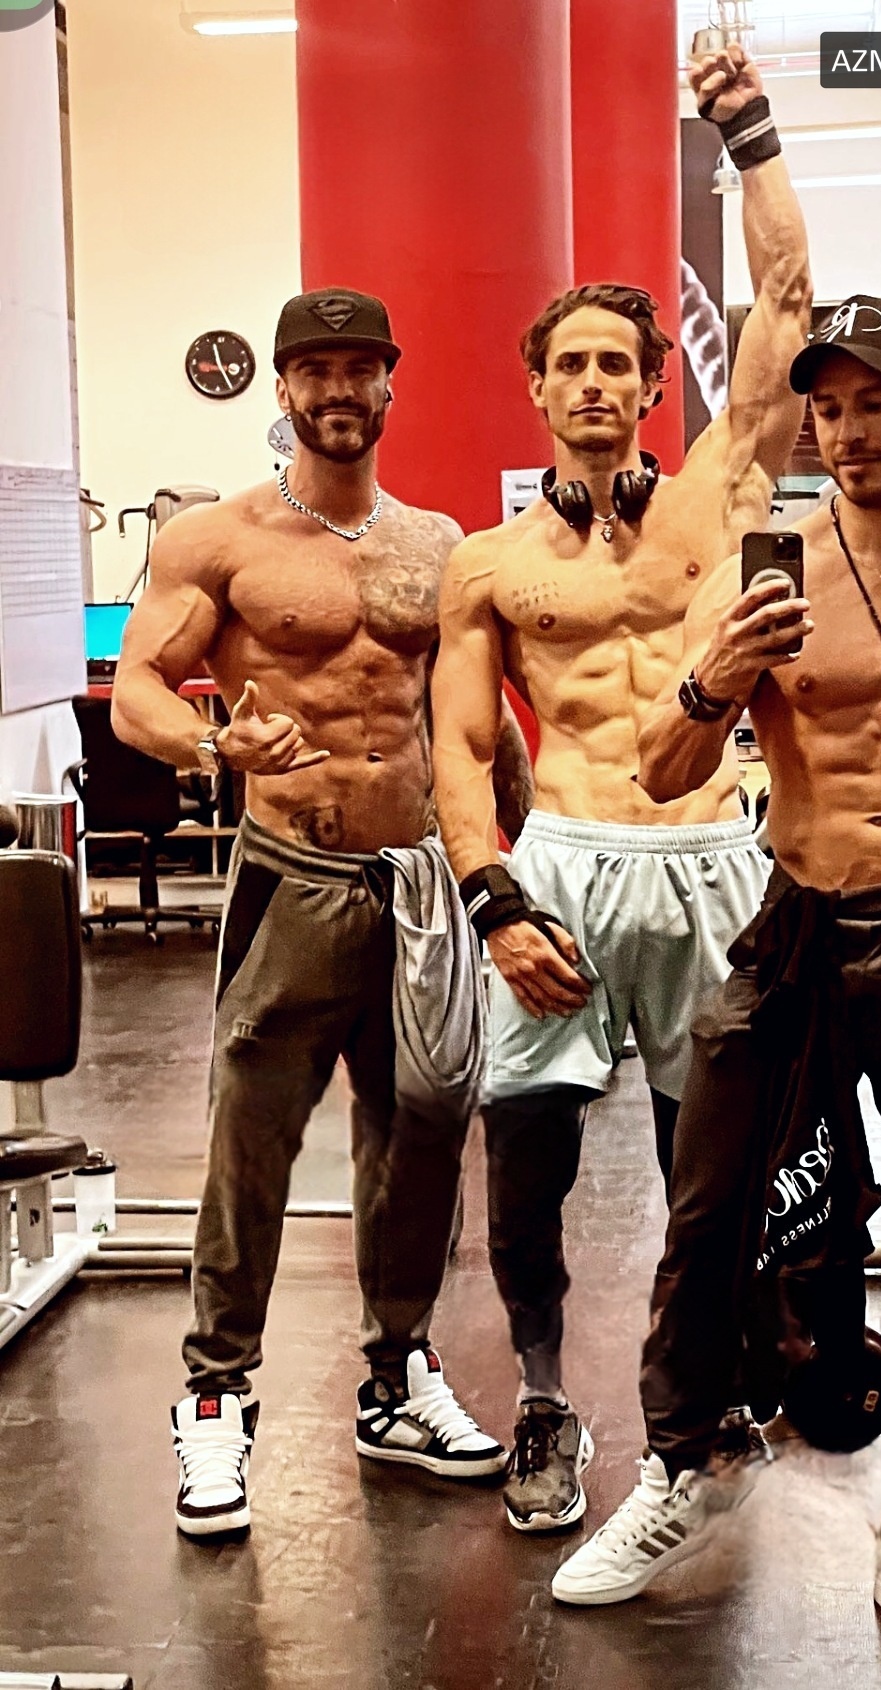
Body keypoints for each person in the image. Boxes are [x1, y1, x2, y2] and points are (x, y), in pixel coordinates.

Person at [550, 296, 881, 1661]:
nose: (844, 431)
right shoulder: (757, 571)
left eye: (874, 401)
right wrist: (713, 680)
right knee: (707, 1216)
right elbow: (659, 770)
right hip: (799, 924)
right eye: (826, 408)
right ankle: (687, 1463)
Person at [431, 45, 811, 1535]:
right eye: (570, 364)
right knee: (523, 1167)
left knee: (708, 1162)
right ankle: (541, 1393)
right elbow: (461, 747)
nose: (594, 384)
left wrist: (748, 132)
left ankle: (700, 1398)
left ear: (656, 386)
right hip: (566, 866)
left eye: (618, 365)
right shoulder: (488, 565)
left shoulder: (717, 493)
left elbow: (785, 300)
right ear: (535, 388)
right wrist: (494, 900)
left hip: (708, 856)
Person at [112, 288, 533, 1538]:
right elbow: (138, 686)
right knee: (251, 1139)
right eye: (317, 370)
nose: (339, 391)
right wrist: (212, 746)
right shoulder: (219, 541)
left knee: (420, 1135)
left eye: (361, 369)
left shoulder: (439, 543)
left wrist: (525, 848)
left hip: (419, 884)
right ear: (284, 386)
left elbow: (472, 714)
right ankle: (214, 1391)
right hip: (293, 876)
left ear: (391, 383)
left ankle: (397, 1375)